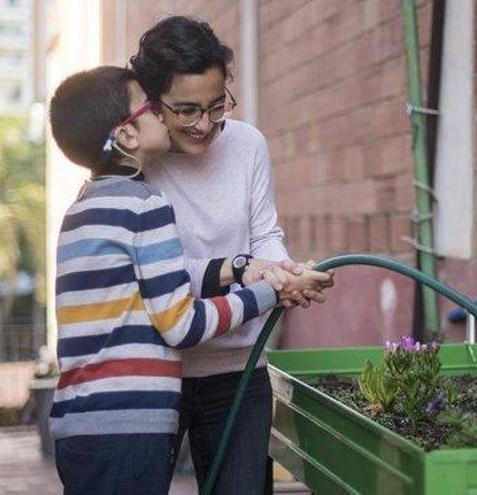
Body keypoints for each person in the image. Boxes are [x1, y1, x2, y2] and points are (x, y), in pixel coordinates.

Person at [47, 66, 319, 495]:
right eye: (153, 108)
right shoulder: (145, 204)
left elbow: (158, 279)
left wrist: (248, 267)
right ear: (127, 136)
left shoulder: (82, 208)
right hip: (132, 423)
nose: (163, 116)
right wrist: (268, 291)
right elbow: (181, 325)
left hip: (80, 423)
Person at [130, 15, 334, 494]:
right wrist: (250, 272)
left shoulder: (246, 145)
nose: (205, 125)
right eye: (186, 111)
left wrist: (283, 272)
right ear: (152, 103)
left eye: (216, 106)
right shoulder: (135, 165)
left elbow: (265, 233)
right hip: (158, 371)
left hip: (238, 372)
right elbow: (146, 275)